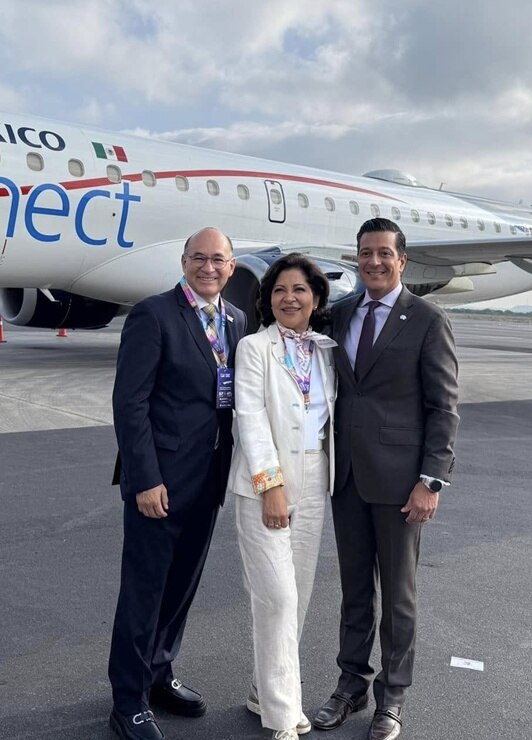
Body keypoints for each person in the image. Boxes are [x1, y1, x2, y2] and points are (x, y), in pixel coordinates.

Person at [311, 218, 459, 740]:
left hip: (401, 484)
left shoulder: (426, 319)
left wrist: (431, 481)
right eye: (365, 254)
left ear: (402, 260)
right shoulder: (341, 314)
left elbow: (443, 408)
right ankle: (350, 685)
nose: (373, 262)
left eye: (383, 254)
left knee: (398, 595)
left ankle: (391, 698)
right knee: (354, 591)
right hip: (346, 476)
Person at [108, 227, 247, 740]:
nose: (208, 267)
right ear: (183, 261)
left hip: (207, 479)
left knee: (181, 588)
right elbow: (131, 403)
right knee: (144, 591)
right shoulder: (154, 314)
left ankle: (159, 674)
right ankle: (128, 699)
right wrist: (144, 478)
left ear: (231, 268)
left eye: (218, 260)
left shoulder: (235, 320)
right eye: (198, 258)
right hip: (159, 484)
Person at [227, 254, 337, 740]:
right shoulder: (254, 347)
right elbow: (248, 417)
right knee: (277, 597)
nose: (288, 298)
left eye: (299, 290)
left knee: (300, 597)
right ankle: (282, 715)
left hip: (314, 480)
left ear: (316, 299)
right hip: (264, 483)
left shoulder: (325, 350)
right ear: (267, 299)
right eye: (279, 290)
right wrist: (270, 486)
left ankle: (262, 690)